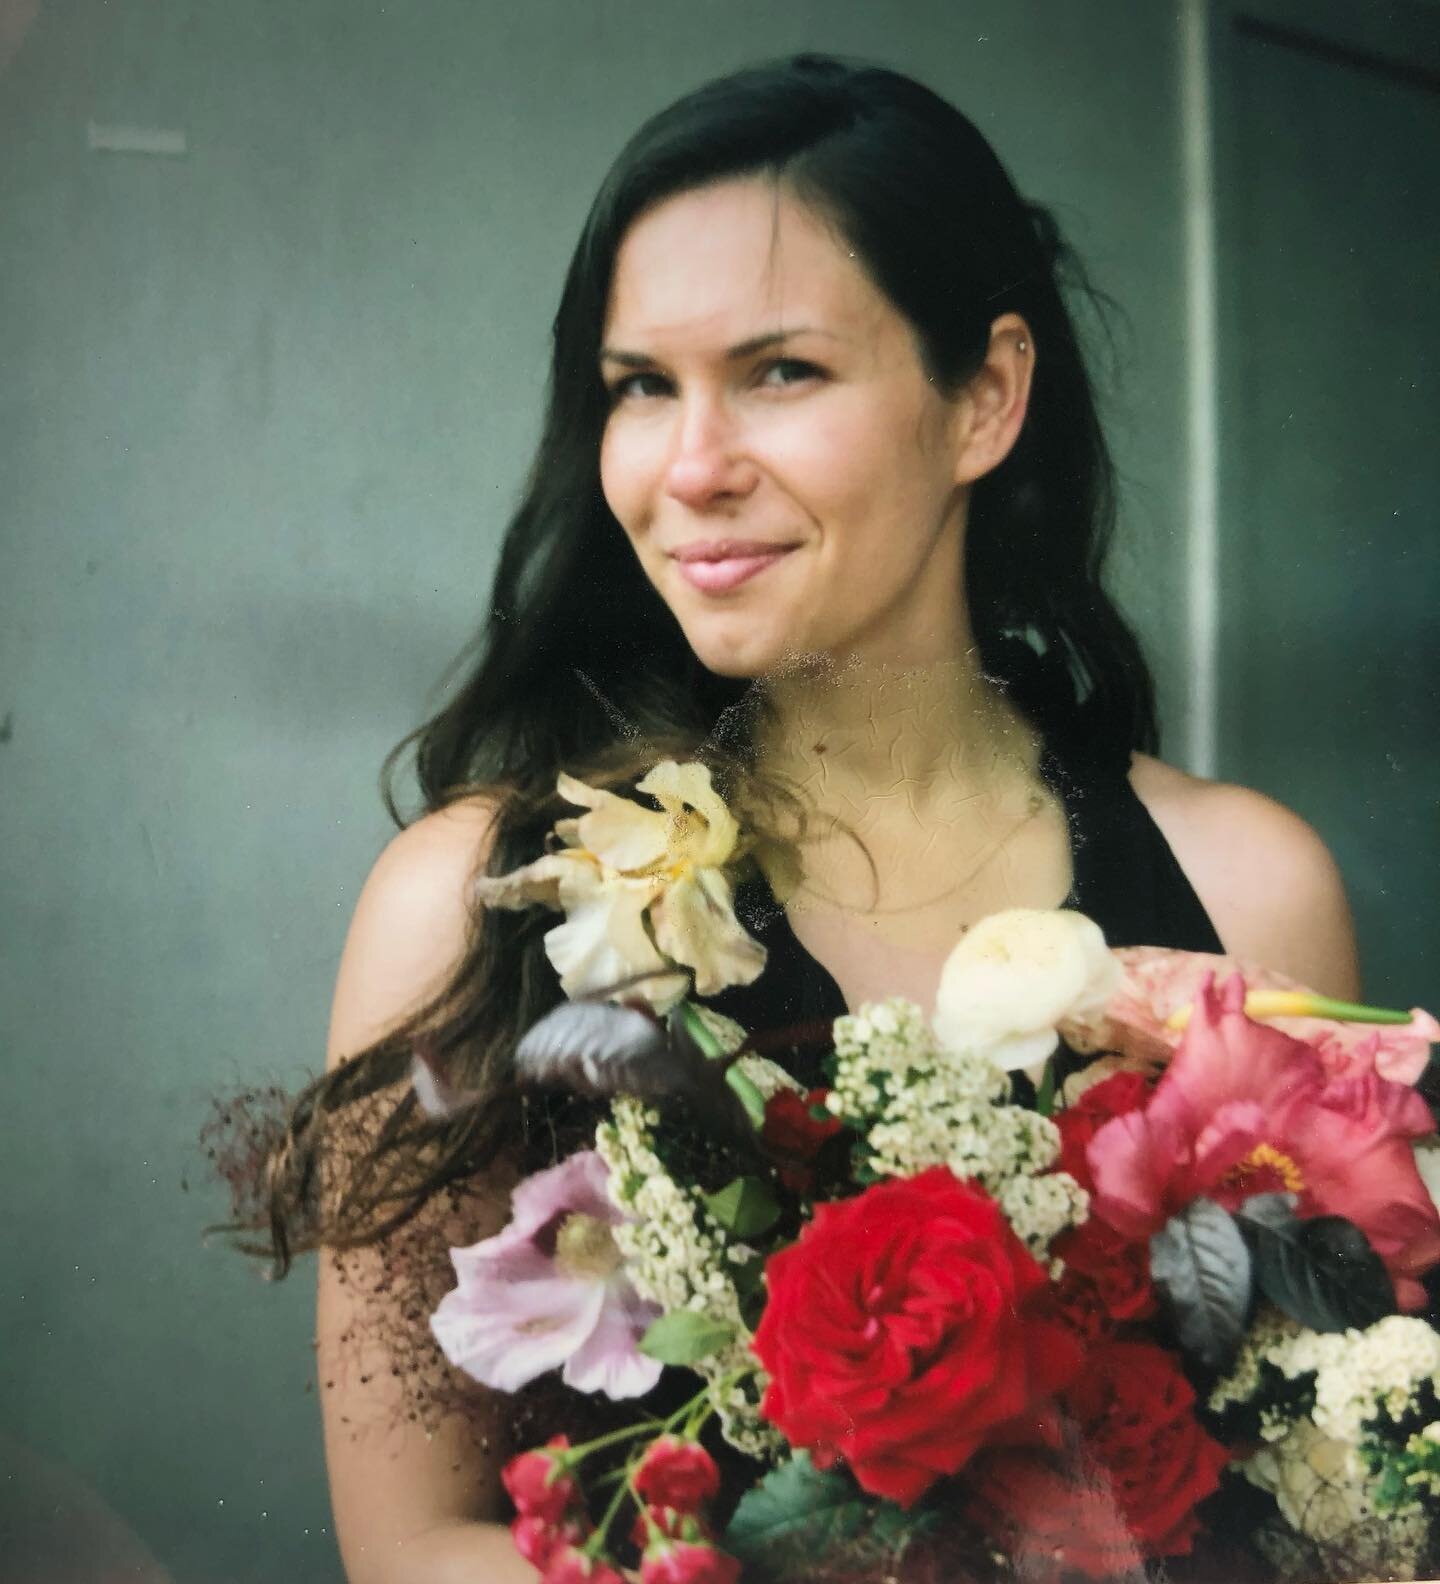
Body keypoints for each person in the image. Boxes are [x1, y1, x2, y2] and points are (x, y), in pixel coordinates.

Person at [267, 53, 1359, 1583]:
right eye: (641, 387)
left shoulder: (1253, 888)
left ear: (985, 396)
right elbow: (407, 1548)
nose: (690, 468)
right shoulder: (467, 905)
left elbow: (1339, 1497)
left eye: (780, 372)